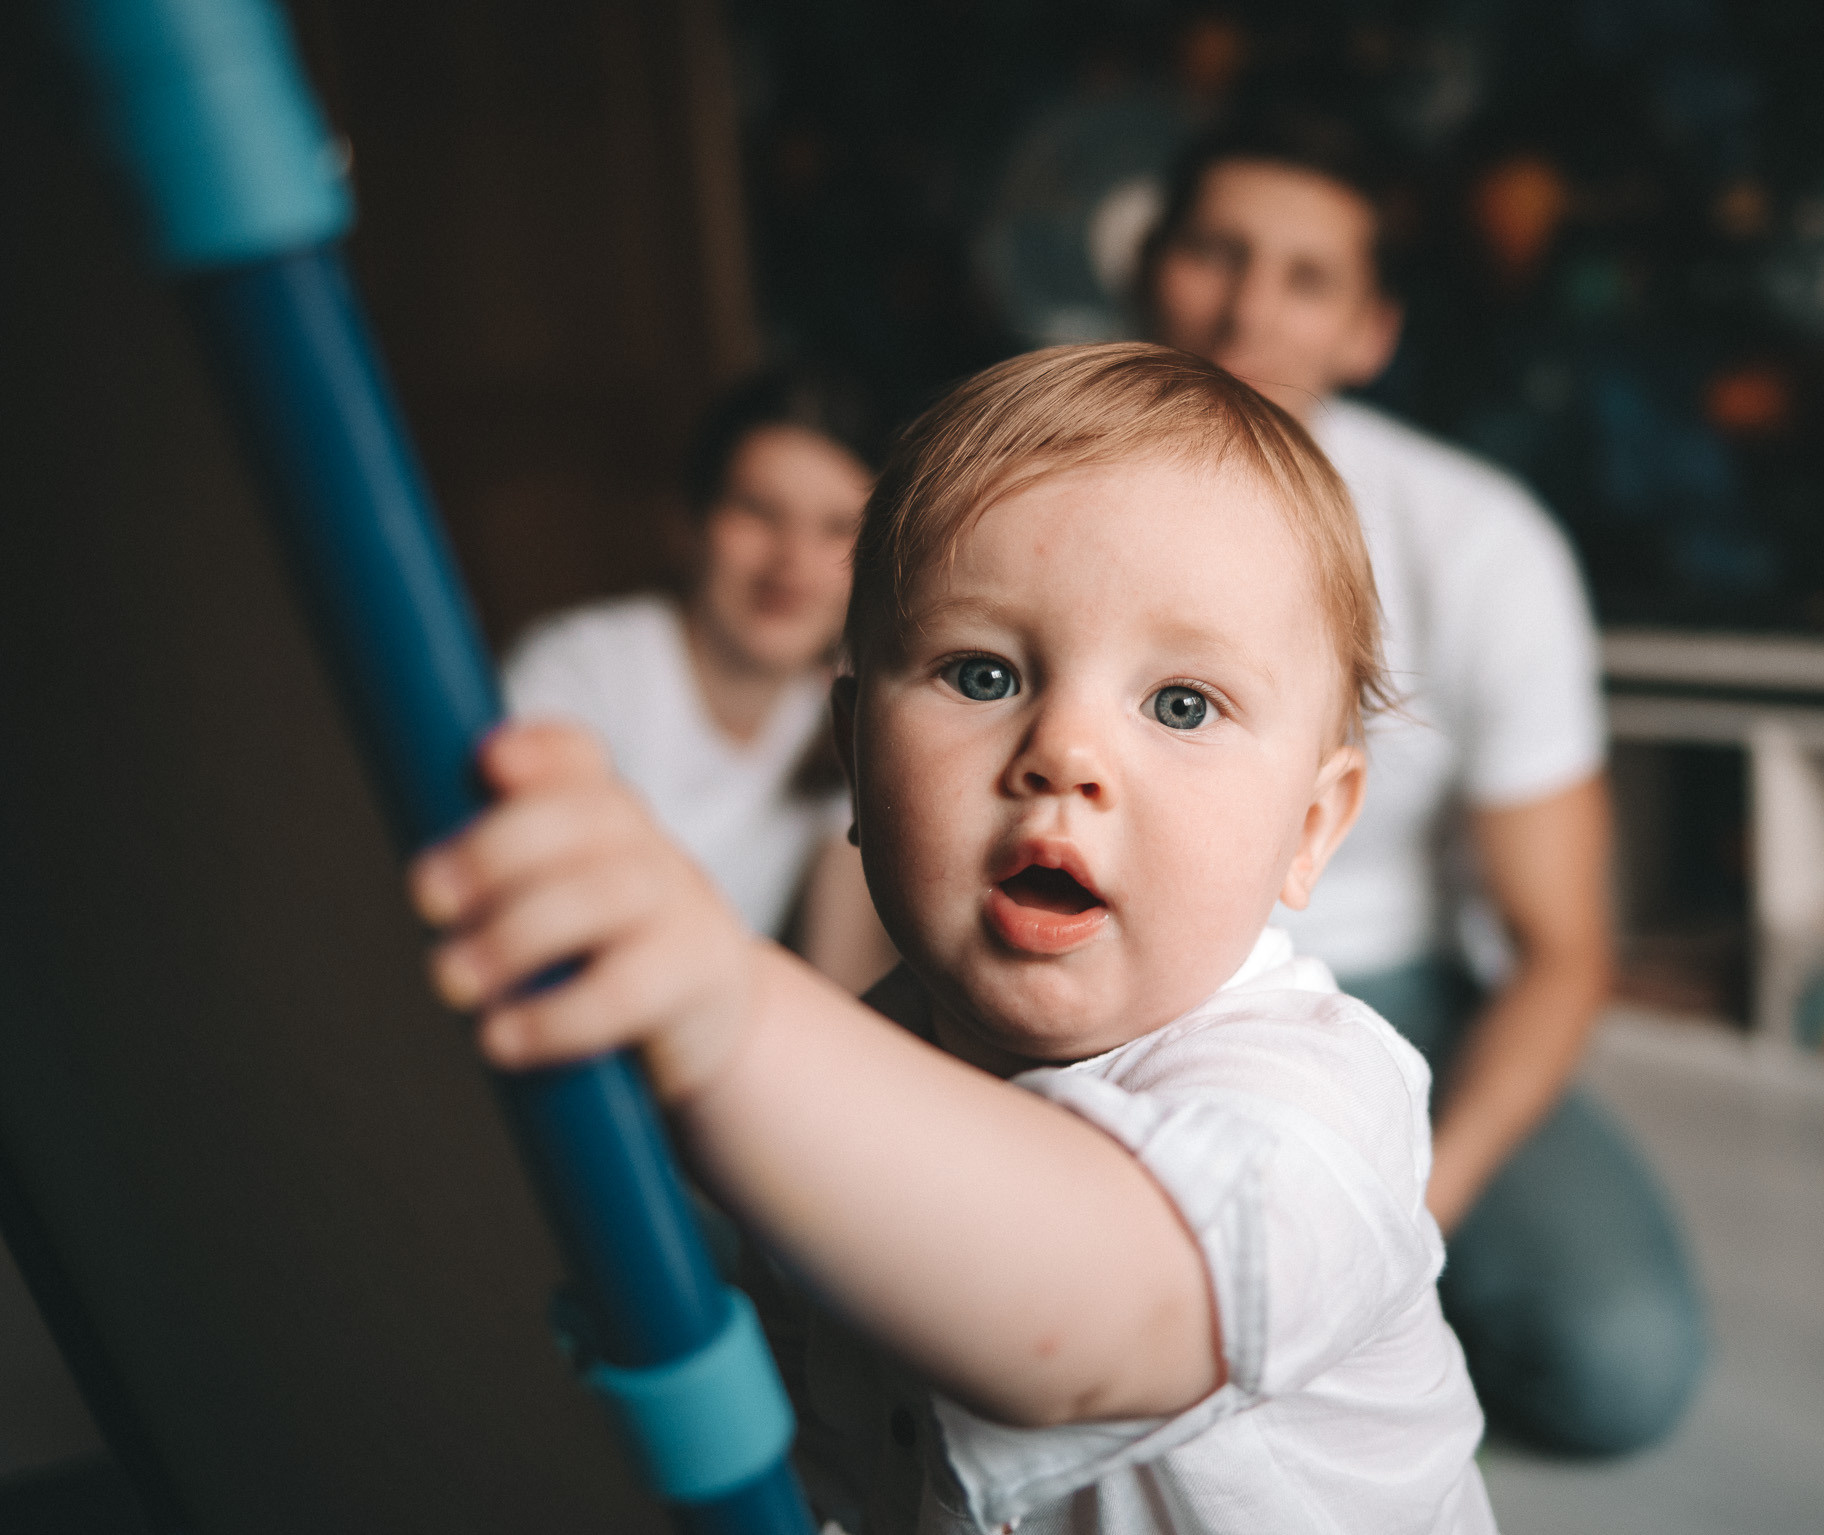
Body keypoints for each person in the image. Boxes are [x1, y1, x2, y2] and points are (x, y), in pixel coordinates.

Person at [409, 344, 1495, 1532]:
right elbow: (831, 1450)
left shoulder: (1314, 1103)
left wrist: (735, 1011)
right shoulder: (868, 1072)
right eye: (980, 673)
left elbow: (1080, 1320)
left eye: (1180, 703)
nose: (1062, 752)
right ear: (853, 756)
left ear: (1311, 826)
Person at [1139, 108, 1706, 1456]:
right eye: (1215, 252)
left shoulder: (1481, 544)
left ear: (1370, 330)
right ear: (1148, 270)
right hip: (1098, 968)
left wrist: (1403, 1222)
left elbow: (1563, 949)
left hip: (1385, 993)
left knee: (1622, 1361)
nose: (1248, 309)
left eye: (1307, 277)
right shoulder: (1021, 489)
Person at [501, 371, 894, 992]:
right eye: (759, 512)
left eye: (835, 529)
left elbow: (841, 979)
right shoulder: (578, 671)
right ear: (688, 524)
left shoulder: (839, 721)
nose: (792, 559)